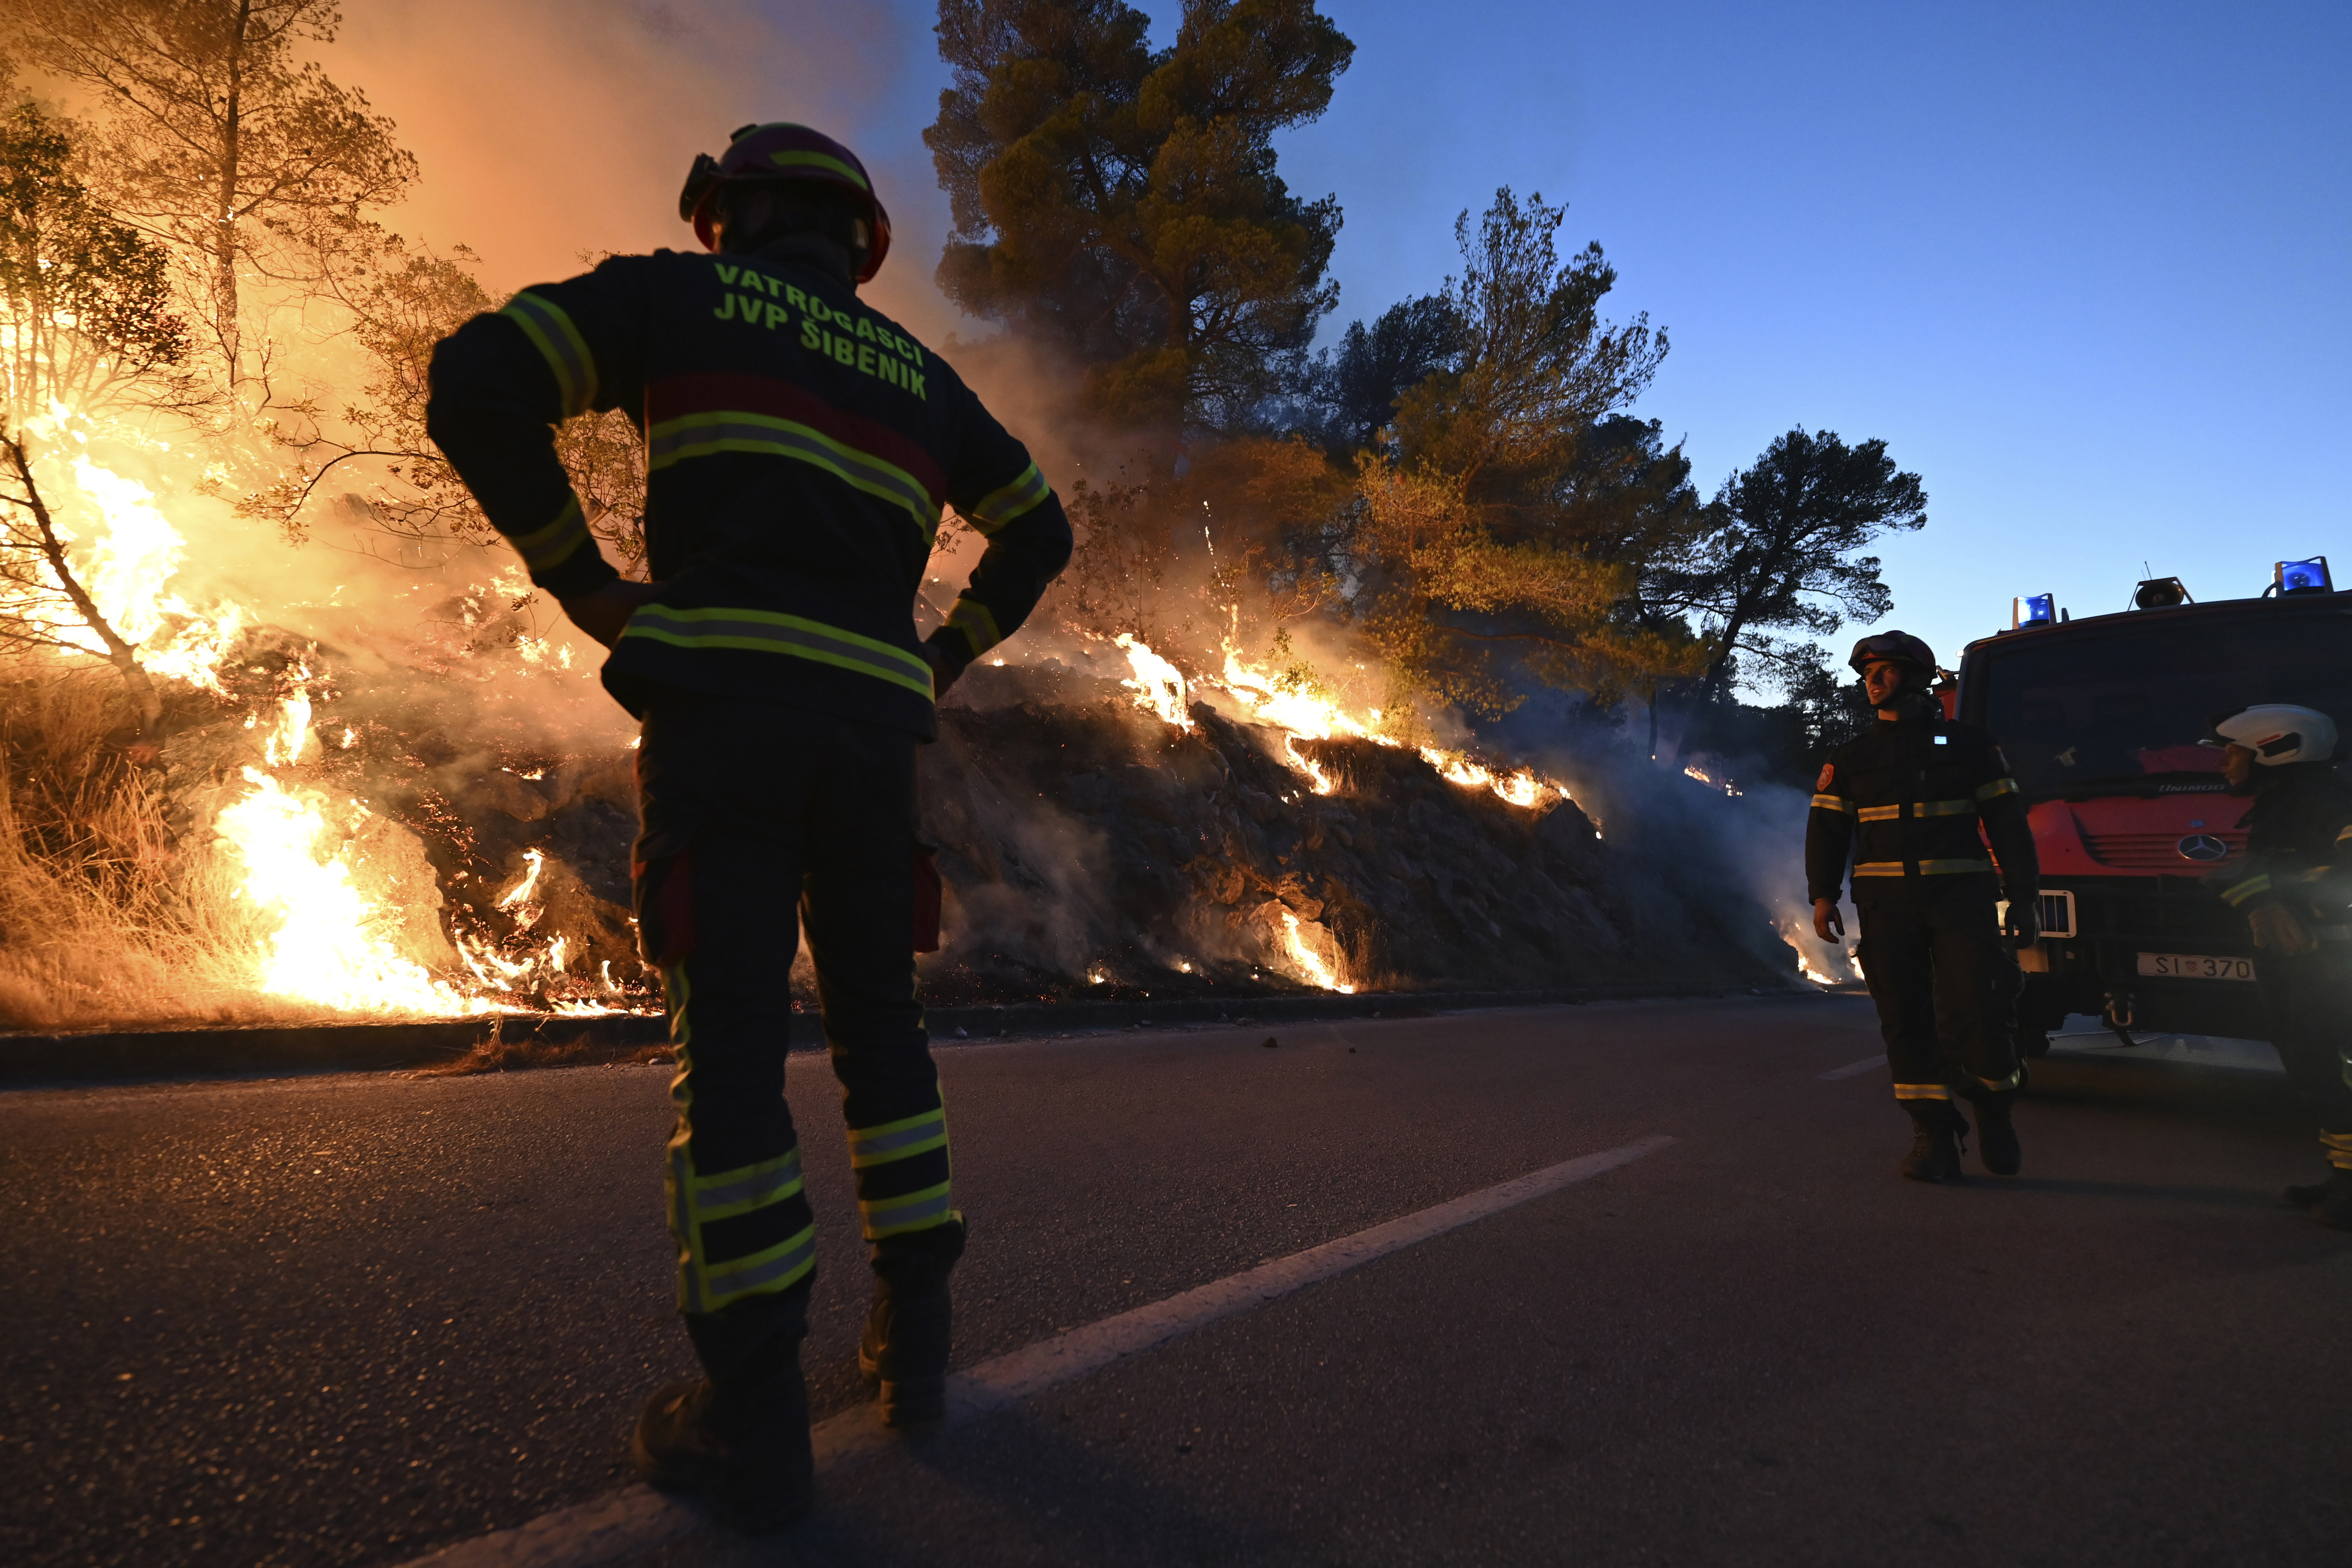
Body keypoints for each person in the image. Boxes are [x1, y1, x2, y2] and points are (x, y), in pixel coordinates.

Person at [425, 121, 1073, 1530]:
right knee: (881, 1030)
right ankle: (918, 1344)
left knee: (728, 1051)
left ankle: (756, 1418)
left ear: (738, 214)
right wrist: (939, 655)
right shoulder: (922, 377)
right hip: (868, 745)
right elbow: (1041, 528)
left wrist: (593, 592)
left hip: (725, 720)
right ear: (856, 241)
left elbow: (477, 380)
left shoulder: (676, 298)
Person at [1808, 632, 2042, 1181]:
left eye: (1884, 671)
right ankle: (1932, 1134)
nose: (1871, 681)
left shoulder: (1970, 747)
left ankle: (1993, 1107)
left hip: (1962, 906)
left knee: (1980, 1011)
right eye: (1866, 673)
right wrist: (1822, 894)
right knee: (1904, 1022)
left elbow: (2008, 827)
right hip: (1887, 912)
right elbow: (1825, 832)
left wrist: (2025, 898)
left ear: (1916, 678)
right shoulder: (1850, 759)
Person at [2205, 705, 2352, 1229]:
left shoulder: (2320, 799)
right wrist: (2258, 896)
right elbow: (2257, 873)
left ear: (2275, 748)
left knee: (2328, 1064)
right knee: (2311, 1060)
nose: (2223, 762)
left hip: (2333, 956)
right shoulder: (2281, 803)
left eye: (2233, 751)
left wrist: (2286, 897)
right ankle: (2343, 1173)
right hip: (2307, 958)